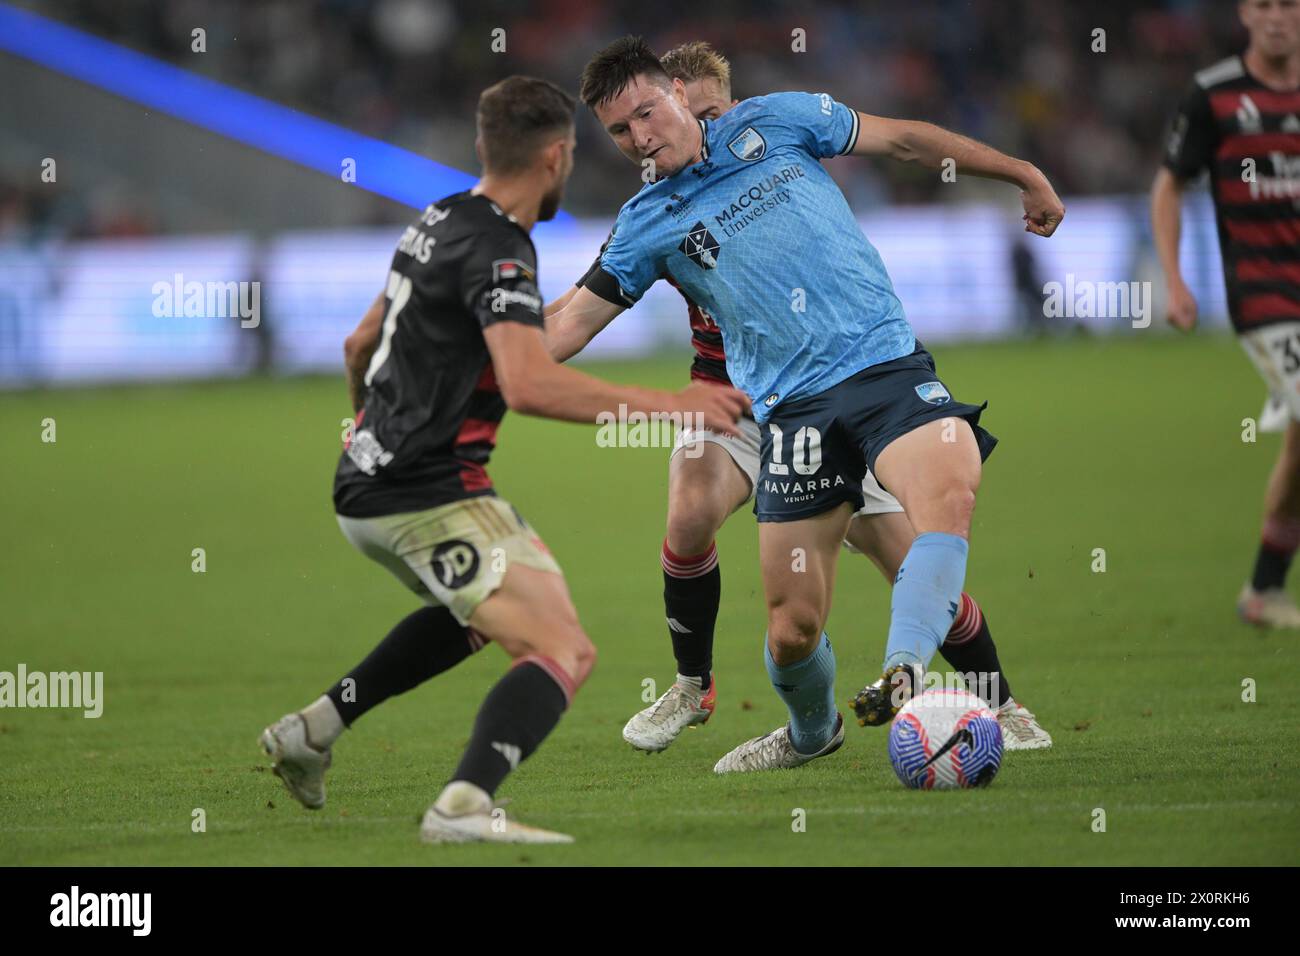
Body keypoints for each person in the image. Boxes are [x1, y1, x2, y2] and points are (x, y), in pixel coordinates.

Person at [549, 37, 1063, 773]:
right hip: (779, 411)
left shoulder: (779, 123)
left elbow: (909, 141)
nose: (640, 137)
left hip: (883, 372)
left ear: (678, 95)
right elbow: (567, 322)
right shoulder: (646, 220)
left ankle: (926, 676)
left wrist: (1022, 173)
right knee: (790, 627)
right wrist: (469, 361)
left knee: (944, 500)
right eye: (620, 131)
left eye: (647, 113)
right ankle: (802, 728)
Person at [259, 75, 747, 842]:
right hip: (426, 494)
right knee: (562, 648)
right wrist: (674, 403)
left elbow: (359, 344)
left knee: (475, 615)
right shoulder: (502, 249)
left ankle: (313, 731)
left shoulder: (440, 218)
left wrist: (364, 424)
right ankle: (461, 808)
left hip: (364, 482)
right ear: (556, 156)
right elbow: (529, 385)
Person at [1152, 0, 1300, 627]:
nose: (1276, 17)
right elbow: (1169, 183)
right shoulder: (1213, 95)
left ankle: (1262, 591)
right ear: (1245, 13)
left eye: (1287, 4)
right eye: (1263, 4)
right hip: (1264, 294)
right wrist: (1176, 279)